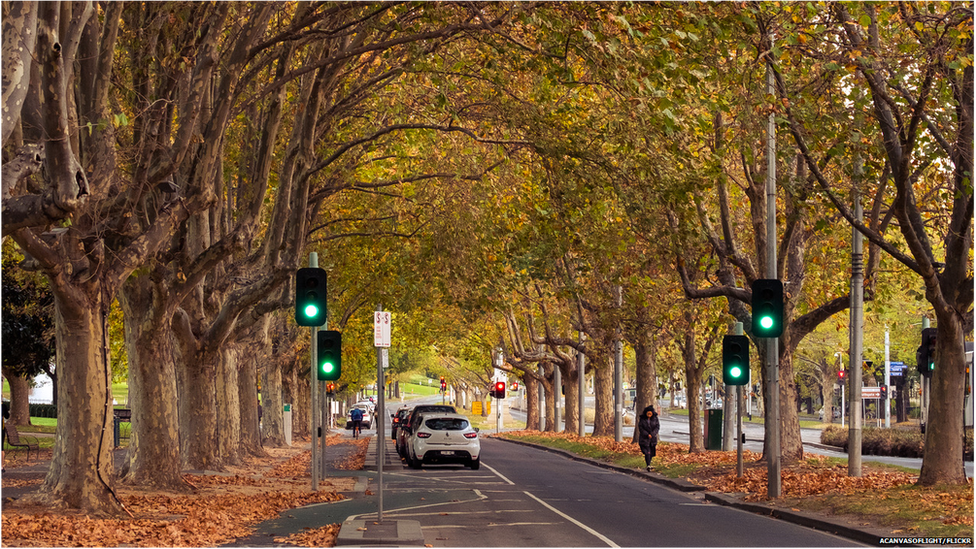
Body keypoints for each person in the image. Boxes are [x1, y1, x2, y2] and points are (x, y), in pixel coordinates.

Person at [637, 404, 660, 471]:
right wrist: (647, 434)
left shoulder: (655, 419)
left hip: (652, 439)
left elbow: (657, 427)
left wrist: (652, 434)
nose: (649, 414)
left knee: (651, 452)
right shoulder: (642, 419)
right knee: (647, 452)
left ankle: (649, 464)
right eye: (648, 413)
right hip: (644, 438)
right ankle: (648, 465)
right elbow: (640, 428)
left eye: (650, 413)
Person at [1, 389, 10, 473]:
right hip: (1, 429)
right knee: (1, 448)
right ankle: (1, 466)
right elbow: (7, 416)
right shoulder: (3, 407)